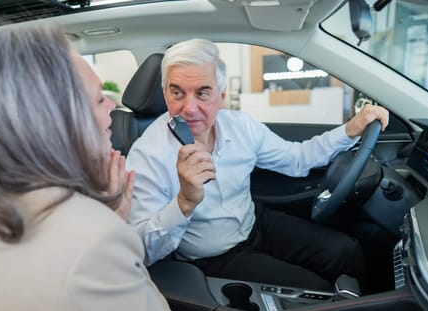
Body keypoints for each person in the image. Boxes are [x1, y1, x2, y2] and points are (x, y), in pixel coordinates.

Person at [0, 26, 190, 311]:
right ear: (53, 119)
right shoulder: (91, 239)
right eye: (99, 97)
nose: (112, 104)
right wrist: (113, 226)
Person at [126, 38, 389, 291]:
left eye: (203, 92)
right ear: (165, 94)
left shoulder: (242, 126)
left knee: (346, 251)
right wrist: (184, 203)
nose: (189, 108)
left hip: (255, 224)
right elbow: (143, 250)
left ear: (222, 95)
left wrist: (350, 130)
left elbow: (297, 160)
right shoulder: (147, 155)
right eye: (177, 93)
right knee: (316, 290)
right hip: (213, 258)